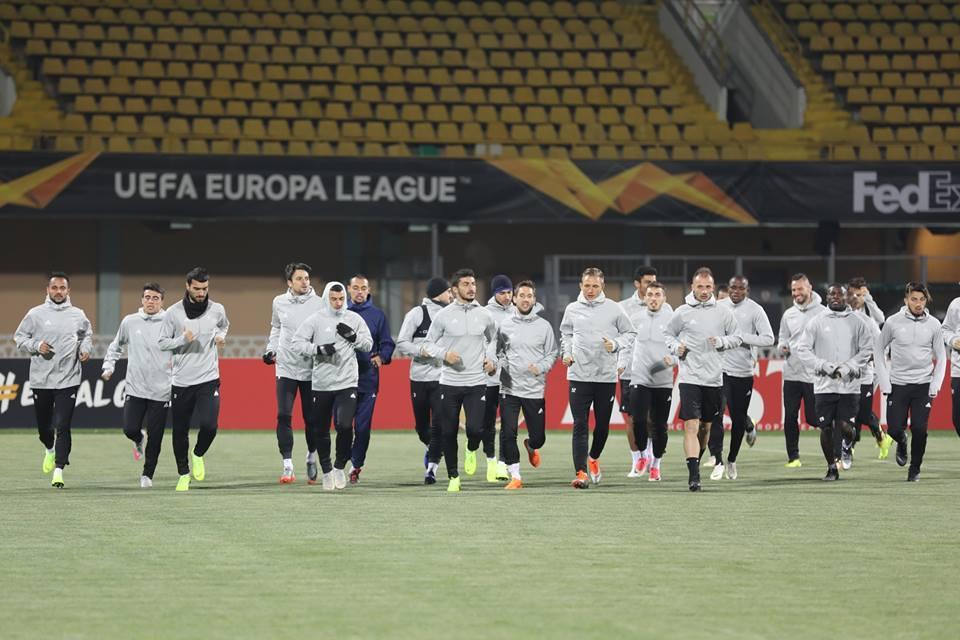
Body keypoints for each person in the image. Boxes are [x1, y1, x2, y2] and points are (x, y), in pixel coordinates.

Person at [419, 268, 497, 492]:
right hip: (449, 382)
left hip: (476, 382)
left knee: (475, 430)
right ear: (454, 289)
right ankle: (454, 476)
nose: (471, 288)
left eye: (473, 284)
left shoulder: (485, 315)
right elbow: (427, 344)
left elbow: (494, 340)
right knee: (448, 431)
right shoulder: (443, 316)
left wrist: (491, 359)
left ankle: (471, 448)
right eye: (465, 284)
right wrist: (444, 354)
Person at [14, 271, 93, 488]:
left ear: (68, 290)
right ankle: (49, 449)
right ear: (48, 290)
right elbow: (19, 338)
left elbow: (86, 334)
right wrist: (36, 345)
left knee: (63, 425)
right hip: (41, 379)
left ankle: (59, 470)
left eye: (62, 288)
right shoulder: (35, 314)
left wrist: (85, 348)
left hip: (69, 378)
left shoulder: (77, 314)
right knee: (44, 429)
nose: (58, 291)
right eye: (54, 288)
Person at [664, 267, 740, 491]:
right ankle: (694, 476)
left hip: (714, 379)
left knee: (705, 428)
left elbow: (737, 337)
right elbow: (668, 334)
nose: (704, 291)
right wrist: (676, 347)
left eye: (708, 287)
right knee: (691, 425)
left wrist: (723, 342)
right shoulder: (682, 311)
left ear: (713, 287)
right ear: (692, 287)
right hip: (689, 377)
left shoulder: (723, 312)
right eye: (700, 286)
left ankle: (697, 459)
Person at [292, 281, 372, 490]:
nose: (338, 303)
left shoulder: (354, 319)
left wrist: (353, 337)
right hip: (322, 383)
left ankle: (339, 467)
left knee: (345, 426)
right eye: (334, 299)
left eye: (341, 299)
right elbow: (297, 343)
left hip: (347, 381)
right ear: (327, 298)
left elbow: (368, 344)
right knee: (320, 429)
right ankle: (326, 470)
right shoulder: (315, 319)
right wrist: (317, 349)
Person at [560, 267, 636, 489]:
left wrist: (615, 344)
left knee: (602, 426)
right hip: (579, 374)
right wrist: (566, 353)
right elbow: (566, 334)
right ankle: (581, 472)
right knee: (580, 424)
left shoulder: (614, 309)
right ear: (580, 286)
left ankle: (593, 457)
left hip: (605, 376)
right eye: (587, 285)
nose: (590, 290)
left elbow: (630, 333)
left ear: (602, 286)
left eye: (595, 286)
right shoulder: (572, 309)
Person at [158, 267, 230, 491]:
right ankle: (183, 473)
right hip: (181, 381)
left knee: (210, 426)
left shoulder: (217, 309)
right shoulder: (173, 312)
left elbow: (224, 325)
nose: (201, 293)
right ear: (187, 286)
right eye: (197, 288)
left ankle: (198, 453)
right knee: (180, 430)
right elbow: (162, 343)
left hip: (208, 378)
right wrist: (182, 340)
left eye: (205, 288)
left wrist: (221, 336)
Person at [794, 283, 873, 481]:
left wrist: (848, 367)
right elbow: (802, 349)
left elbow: (867, 349)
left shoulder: (858, 322)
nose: (836, 297)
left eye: (840, 294)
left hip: (849, 385)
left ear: (847, 297)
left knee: (845, 426)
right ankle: (831, 467)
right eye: (832, 294)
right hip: (824, 385)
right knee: (826, 427)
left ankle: (848, 443)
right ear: (827, 297)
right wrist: (824, 366)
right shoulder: (816, 321)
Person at [875, 282, 947, 481]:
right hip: (897, 384)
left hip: (923, 385)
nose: (918, 303)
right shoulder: (892, 322)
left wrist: (935, 384)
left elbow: (941, 356)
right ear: (906, 300)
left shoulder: (934, 324)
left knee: (920, 428)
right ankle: (901, 441)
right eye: (914, 299)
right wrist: (885, 382)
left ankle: (914, 468)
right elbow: (878, 350)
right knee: (894, 429)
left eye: (922, 299)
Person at [102, 283, 171, 488]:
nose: (151, 301)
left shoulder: (170, 322)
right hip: (136, 387)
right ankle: (138, 438)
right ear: (142, 300)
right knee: (129, 428)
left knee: (156, 437)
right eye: (147, 297)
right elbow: (116, 346)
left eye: (155, 298)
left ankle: (147, 474)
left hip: (162, 389)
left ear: (162, 302)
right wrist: (108, 366)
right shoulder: (130, 322)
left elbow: (181, 348)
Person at [263, 262, 324, 484]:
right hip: (286, 366)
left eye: (306, 278)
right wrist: (271, 350)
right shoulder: (279, 302)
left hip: (311, 369)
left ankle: (311, 457)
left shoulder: (320, 303)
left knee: (312, 419)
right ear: (289, 282)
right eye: (299, 278)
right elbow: (276, 328)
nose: (304, 282)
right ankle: (287, 465)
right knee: (283, 415)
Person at [708, 275, 774, 480]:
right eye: (733, 287)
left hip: (743, 372)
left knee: (738, 420)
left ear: (747, 290)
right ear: (728, 288)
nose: (736, 291)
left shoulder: (755, 310)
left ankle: (732, 459)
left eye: (740, 288)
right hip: (719, 370)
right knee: (716, 415)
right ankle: (718, 460)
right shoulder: (718, 306)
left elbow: (769, 338)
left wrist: (741, 338)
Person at [495, 280, 558, 489]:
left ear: (534, 300)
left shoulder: (544, 326)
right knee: (508, 432)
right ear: (514, 299)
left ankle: (531, 446)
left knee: (539, 438)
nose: (525, 299)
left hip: (534, 389)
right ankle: (516, 476)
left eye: (529, 296)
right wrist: (503, 366)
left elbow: (552, 353)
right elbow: (498, 352)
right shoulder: (505, 324)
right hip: (509, 388)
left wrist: (541, 367)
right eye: (521, 295)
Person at [395, 277, 452, 483]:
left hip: (442, 378)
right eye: (447, 291)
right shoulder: (417, 314)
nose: (451, 294)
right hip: (418, 377)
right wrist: (421, 350)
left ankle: (431, 469)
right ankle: (436, 448)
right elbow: (402, 343)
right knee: (421, 428)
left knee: (438, 425)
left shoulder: (450, 315)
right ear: (438, 293)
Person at [618, 266, 673, 478]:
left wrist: (673, 360)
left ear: (664, 298)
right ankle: (641, 456)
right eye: (650, 294)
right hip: (638, 377)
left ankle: (656, 463)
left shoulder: (672, 317)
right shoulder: (634, 316)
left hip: (662, 379)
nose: (653, 298)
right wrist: (621, 363)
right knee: (637, 420)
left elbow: (680, 345)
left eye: (657, 294)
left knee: (659, 425)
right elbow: (626, 343)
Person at [346, 274, 395, 484]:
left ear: (369, 291)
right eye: (356, 288)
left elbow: (387, 343)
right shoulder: (340, 312)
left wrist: (382, 357)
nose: (359, 292)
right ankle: (342, 459)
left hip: (368, 378)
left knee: (362, 427)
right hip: (342, 378)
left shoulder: (377, 315)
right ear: (349, 289)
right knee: (342, 425)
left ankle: (356, 465)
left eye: (363, 288)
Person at [777, 273, 826, 467]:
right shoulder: (788, 314)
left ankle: (839, 438)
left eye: (800, 289)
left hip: (813, 376)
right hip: (791, 374)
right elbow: (782, 338)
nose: (796, 293)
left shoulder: (823, 313)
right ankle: (793, 457)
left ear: (810, 288)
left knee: (814, 418)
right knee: (790, 417)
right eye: (793, 290)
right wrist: (782, 347)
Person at [845, 277, 892, 461]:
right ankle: (859, 443)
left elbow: (881, 327)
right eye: (853, 294)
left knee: (860, 410)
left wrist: (874, 358)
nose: (856, 298)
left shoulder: (869, 318)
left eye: (860, 294)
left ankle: (858, 443)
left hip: (870, 371)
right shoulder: (842, 315)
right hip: (850, 371)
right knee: (854, 409)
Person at [483, 274, 514, 482]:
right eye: (502, 292)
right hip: (489, 377)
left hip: (509, 377)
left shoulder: (517, 313)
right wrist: (487, 361)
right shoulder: (485, 314)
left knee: (507, 423)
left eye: (509, 292)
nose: (507, 296)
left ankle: (503, 464)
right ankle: (491, 460)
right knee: (486, 423)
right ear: (495, 293)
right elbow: (481, 342)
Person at [941, 286, 960, 438]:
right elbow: (945, 329)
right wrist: (953, 340)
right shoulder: (956, 304)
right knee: (957, 419)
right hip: (958, 370)